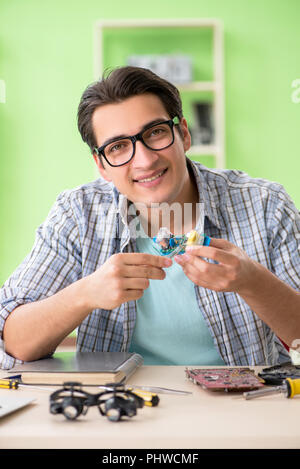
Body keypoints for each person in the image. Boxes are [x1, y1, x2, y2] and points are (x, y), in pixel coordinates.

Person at [1, 66, 299, 370]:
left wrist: (253, 283)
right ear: (101, 166)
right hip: (119, 409)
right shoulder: (78, 214)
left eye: (155, 132)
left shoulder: (265, 205)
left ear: (183, 133)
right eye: (117, 147)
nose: (145, 160)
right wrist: (85, 293)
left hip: (244, 407)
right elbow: (14, 342)